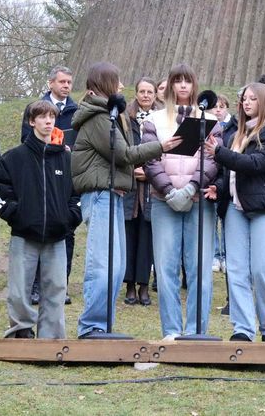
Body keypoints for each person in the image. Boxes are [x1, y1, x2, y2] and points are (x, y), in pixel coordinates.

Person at [71, 63, 181, 339]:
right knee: (102, 265)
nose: (122, 87)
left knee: (117, 266)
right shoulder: (97, 117)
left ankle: (103, 325)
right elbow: (122, 154)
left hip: (113, 196)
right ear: (106, 85)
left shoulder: (111, 115)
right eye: (117, 82)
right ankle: (91, 326)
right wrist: (161, 147)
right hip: (99, 195)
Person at [204, 82, 265, 342]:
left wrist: (219, 153)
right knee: (237, 270)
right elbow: (228, 174)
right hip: (235, 208)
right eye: (244, 99)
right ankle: (242, 328)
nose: (246, 103)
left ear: (264, 102)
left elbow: (257, 163)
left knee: (263, 269)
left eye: (253, 99)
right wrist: (218, 188)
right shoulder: (234, 136)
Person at [142, 64, 222, 339]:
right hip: (164, 201)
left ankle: (197, 331)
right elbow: (151, 160)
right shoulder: (153, 120)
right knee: (166, 269)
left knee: (199, 266)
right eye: (178, 81)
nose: (184, 86)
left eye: (188, 81)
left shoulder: (209, 118)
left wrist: (191, 188)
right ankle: (172, 331)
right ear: (171, 85)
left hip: (199, 201)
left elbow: (212, 160)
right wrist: (168, 191)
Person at [0, 101, 81, 339]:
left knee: (56, 288)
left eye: (51, 117)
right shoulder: (13, 158)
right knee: (19, 289)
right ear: (32, 122)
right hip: (24, 235)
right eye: (42, 117)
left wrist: (69, 218)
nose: (48, 121)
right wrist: (17, 216)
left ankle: (51, 336)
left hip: (57, 236)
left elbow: (76, 194)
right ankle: (21, 331)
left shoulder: (65, 158)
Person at [20, 66, 78, 305]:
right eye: (62, 82)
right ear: (50, 83)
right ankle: (35, 285)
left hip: (64, 171)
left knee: (67, 233)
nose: (66, 86)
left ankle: (60, 285)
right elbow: (25, 138)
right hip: (39, 172)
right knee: (38, 232)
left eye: (69, 82)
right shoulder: (35, 108)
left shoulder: (76, 110)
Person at [122, 78, 162, 306]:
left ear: (155, 94)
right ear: (136, 93)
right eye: (142, 91)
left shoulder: (162, 118)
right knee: (130, 236)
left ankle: (144, 286)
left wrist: (150, 172)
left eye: (150, 92)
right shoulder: (126, 118)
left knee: (147, 237)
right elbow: (120, 150)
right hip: (130, 186)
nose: (146, 95)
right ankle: (129, 285)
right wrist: (132, 169)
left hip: (152, 186)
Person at [211, 94, 232, 273]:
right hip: (211, 177)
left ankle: (225, 255)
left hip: (226, 177)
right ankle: (214, 255)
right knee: (211, 219)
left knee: (225, 219)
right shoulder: (208, 126)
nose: (218, 109)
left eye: (221, 106)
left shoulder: (232, 127)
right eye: (215, 106)